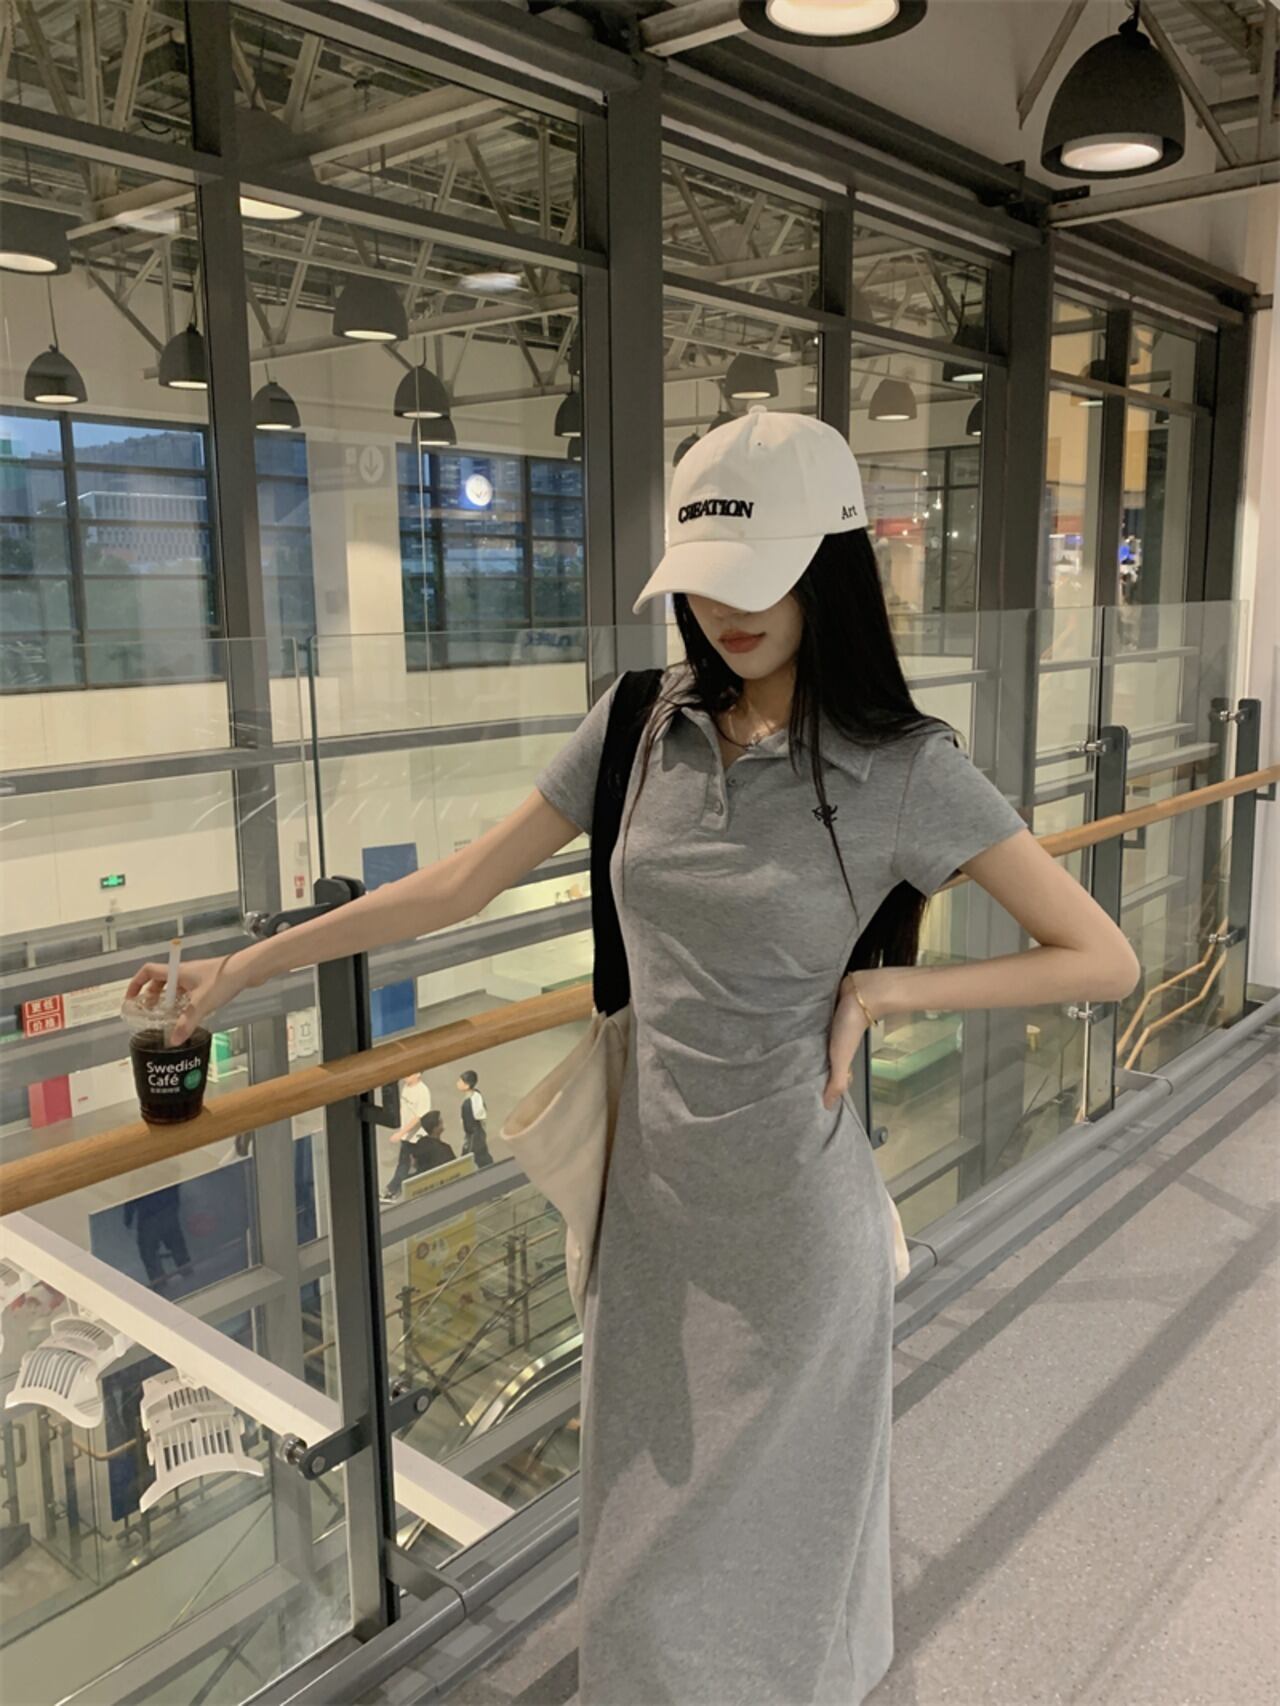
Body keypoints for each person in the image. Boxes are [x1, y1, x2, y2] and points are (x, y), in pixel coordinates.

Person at [126, 411, 1138, 1706]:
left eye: (757, 577)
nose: (724, 610)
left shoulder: (900, 767)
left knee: (785, 1564)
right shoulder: (637, 725)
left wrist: (887, 986)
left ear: (829, 565)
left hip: (797, 1233)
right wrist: (245, 966)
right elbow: (457, 883)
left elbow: (1099, 956)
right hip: (652, 1226)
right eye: (704, 580)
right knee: (642, 1567)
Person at [380, 1070, 436, 1203]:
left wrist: (401, 1133)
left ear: (418, 1074)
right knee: (407, 1163)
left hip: (417, 1137)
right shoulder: (407, 1087)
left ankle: (393, 1190)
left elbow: (418, 1118)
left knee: (406, 1164)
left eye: (410, 1074)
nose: (406, 1076)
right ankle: (396, 1189)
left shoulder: (422, 1092)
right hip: (407, 1136)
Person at [456, 1069, 492, 1169]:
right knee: (482, 1155)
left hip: (474, 1135)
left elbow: (470, 1123)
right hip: (477, 1132)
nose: (457, 1083)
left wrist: (467, 1139)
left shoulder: (468, 1103)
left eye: (460, 1081)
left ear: (467, 1086)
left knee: (474, 1157)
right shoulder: (476, 1095)